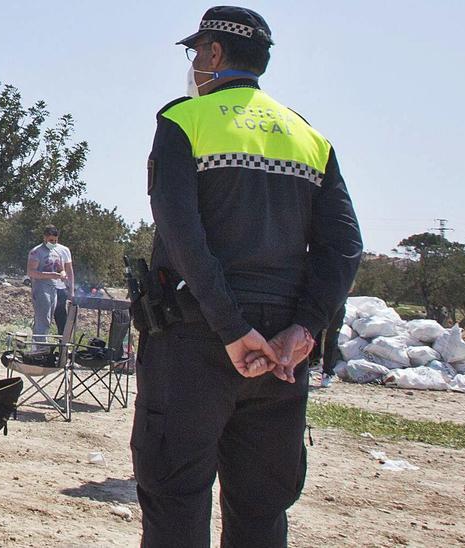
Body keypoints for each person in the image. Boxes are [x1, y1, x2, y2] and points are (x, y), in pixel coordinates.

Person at [133, 7, 362, 547]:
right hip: (281, 357)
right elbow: (345, 245)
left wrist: (233, 329)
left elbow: (184, 237)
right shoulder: (309, 137)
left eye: (196, 53)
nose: (193, 64)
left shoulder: (184, 122)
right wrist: (304, 329)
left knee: (175, 502)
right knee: (261, 512)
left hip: (195, 342)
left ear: (214, 53)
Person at [26, 226, 74, 343]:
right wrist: (51, 275)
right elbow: (31, 272)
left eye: (55, 240)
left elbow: (62, 268)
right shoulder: (36, 252)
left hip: (54, 288)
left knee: (53, 317)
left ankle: (50, 344)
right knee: (43, 318)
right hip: (41, 286)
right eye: (51, 240)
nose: (53, 243)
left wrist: (62, 274)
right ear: (45, 238)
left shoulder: (58, 251)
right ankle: (39, 345)